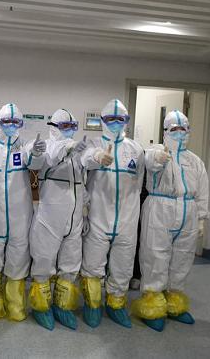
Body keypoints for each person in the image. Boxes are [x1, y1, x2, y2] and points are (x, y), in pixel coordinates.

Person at [132, 110, 209, 332]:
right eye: (174, 129)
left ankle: (175, 300)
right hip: (160, 208)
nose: (179, 133)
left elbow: (202, 192)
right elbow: (149, 160)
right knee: (155, 255)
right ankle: (152, 303)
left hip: (188, 210)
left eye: (183, 128)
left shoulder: (195, 161)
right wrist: (158, 158)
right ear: (165, 131)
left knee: (182, 257)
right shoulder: (157, 150)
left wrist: (201, 218)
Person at [80, 99, 144, 328]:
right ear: (102, 121)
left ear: (127, 121)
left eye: (120, 119)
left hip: (127, 219)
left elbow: (140, 182)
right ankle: (92, 304)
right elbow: (85, 159)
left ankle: (116, 305)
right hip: (99, 217)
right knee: (93, 264)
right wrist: (97, 157)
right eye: (110, 119)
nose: (115, 123)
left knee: (123, 265)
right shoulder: (93, 143)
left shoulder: (135, 149)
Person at [28, 109, 88, 331]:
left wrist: (85, 210)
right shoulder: (44, 146)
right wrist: (69, 147)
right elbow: (46, 158)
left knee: (71, 262)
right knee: (44, 260)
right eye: (64, 126)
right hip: (50, 216)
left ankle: (63, 306)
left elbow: (83, 182)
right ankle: (42, 307)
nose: (69, 131)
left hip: (74, 218)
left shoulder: (78, 150)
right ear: (53, 127)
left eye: (72, 127)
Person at [0, 103, 33, 322]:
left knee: (18, 258)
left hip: (20, 215)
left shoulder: (26, 147)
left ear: (21, 124)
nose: (11, 125)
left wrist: (37, 153)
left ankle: (15, 304)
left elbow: (36, 162)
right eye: (6, 122)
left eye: (15, 122)